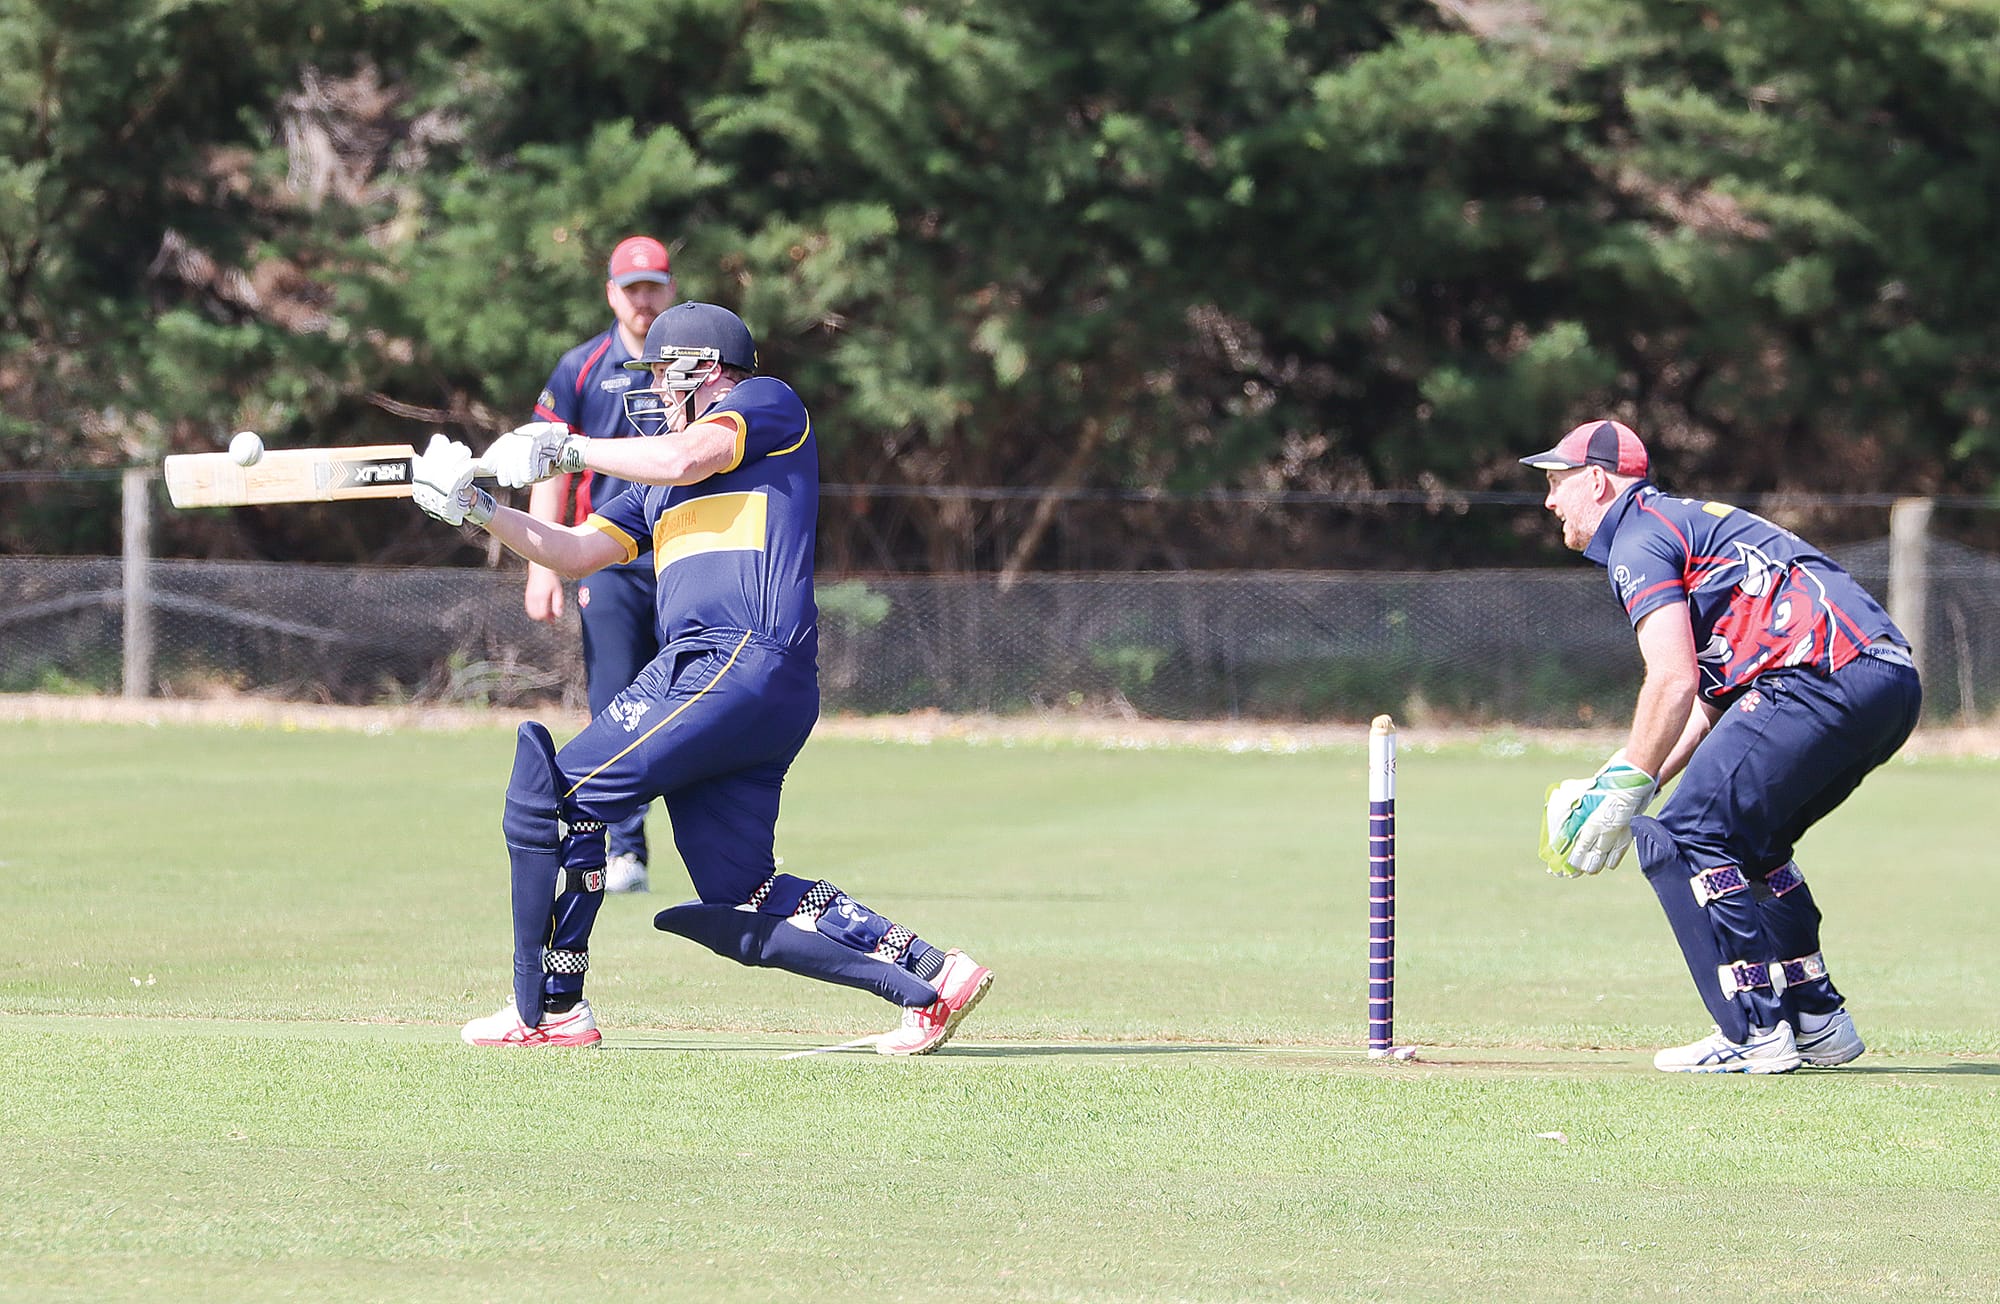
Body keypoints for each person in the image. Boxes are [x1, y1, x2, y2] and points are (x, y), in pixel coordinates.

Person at [409, 301, 994, 1054]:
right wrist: (478, 508)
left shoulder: (765, 404)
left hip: (735, 659)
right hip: (741, 682)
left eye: (660, 375)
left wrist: (568, 449)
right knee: (741, 891)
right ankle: (932, 976)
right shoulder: (653, 484)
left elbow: (691, 457)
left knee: (560, 795)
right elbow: (573, 551)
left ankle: (551, 1007)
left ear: (702, 370)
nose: (652, 392)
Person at [1527, 419, 1920, 1074]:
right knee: (1750, 842)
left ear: (1597, 481)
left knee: (1682, 837)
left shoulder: (1637, 537)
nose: (1547, 501)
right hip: (1886, 680)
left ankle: (1752, 1030)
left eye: (1556, 483)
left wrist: (1629, 782)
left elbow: (1673, 679)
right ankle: (1815, 1016)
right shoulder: (1678, 524)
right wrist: (1622, 781)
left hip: (1817, 676)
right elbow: (1707, 703)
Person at [521, 235, 679, 894]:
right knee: (616, 703)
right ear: (612, 293)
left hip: (683, 556)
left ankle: (714, 849)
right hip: (608, 558)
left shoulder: (694, 365)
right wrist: (541, 565)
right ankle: (623, 847)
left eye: (654, 286)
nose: (644, 299)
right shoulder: (582, 368)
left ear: (670, 289)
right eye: (632, 287)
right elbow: (544, 463)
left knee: (689, 702)